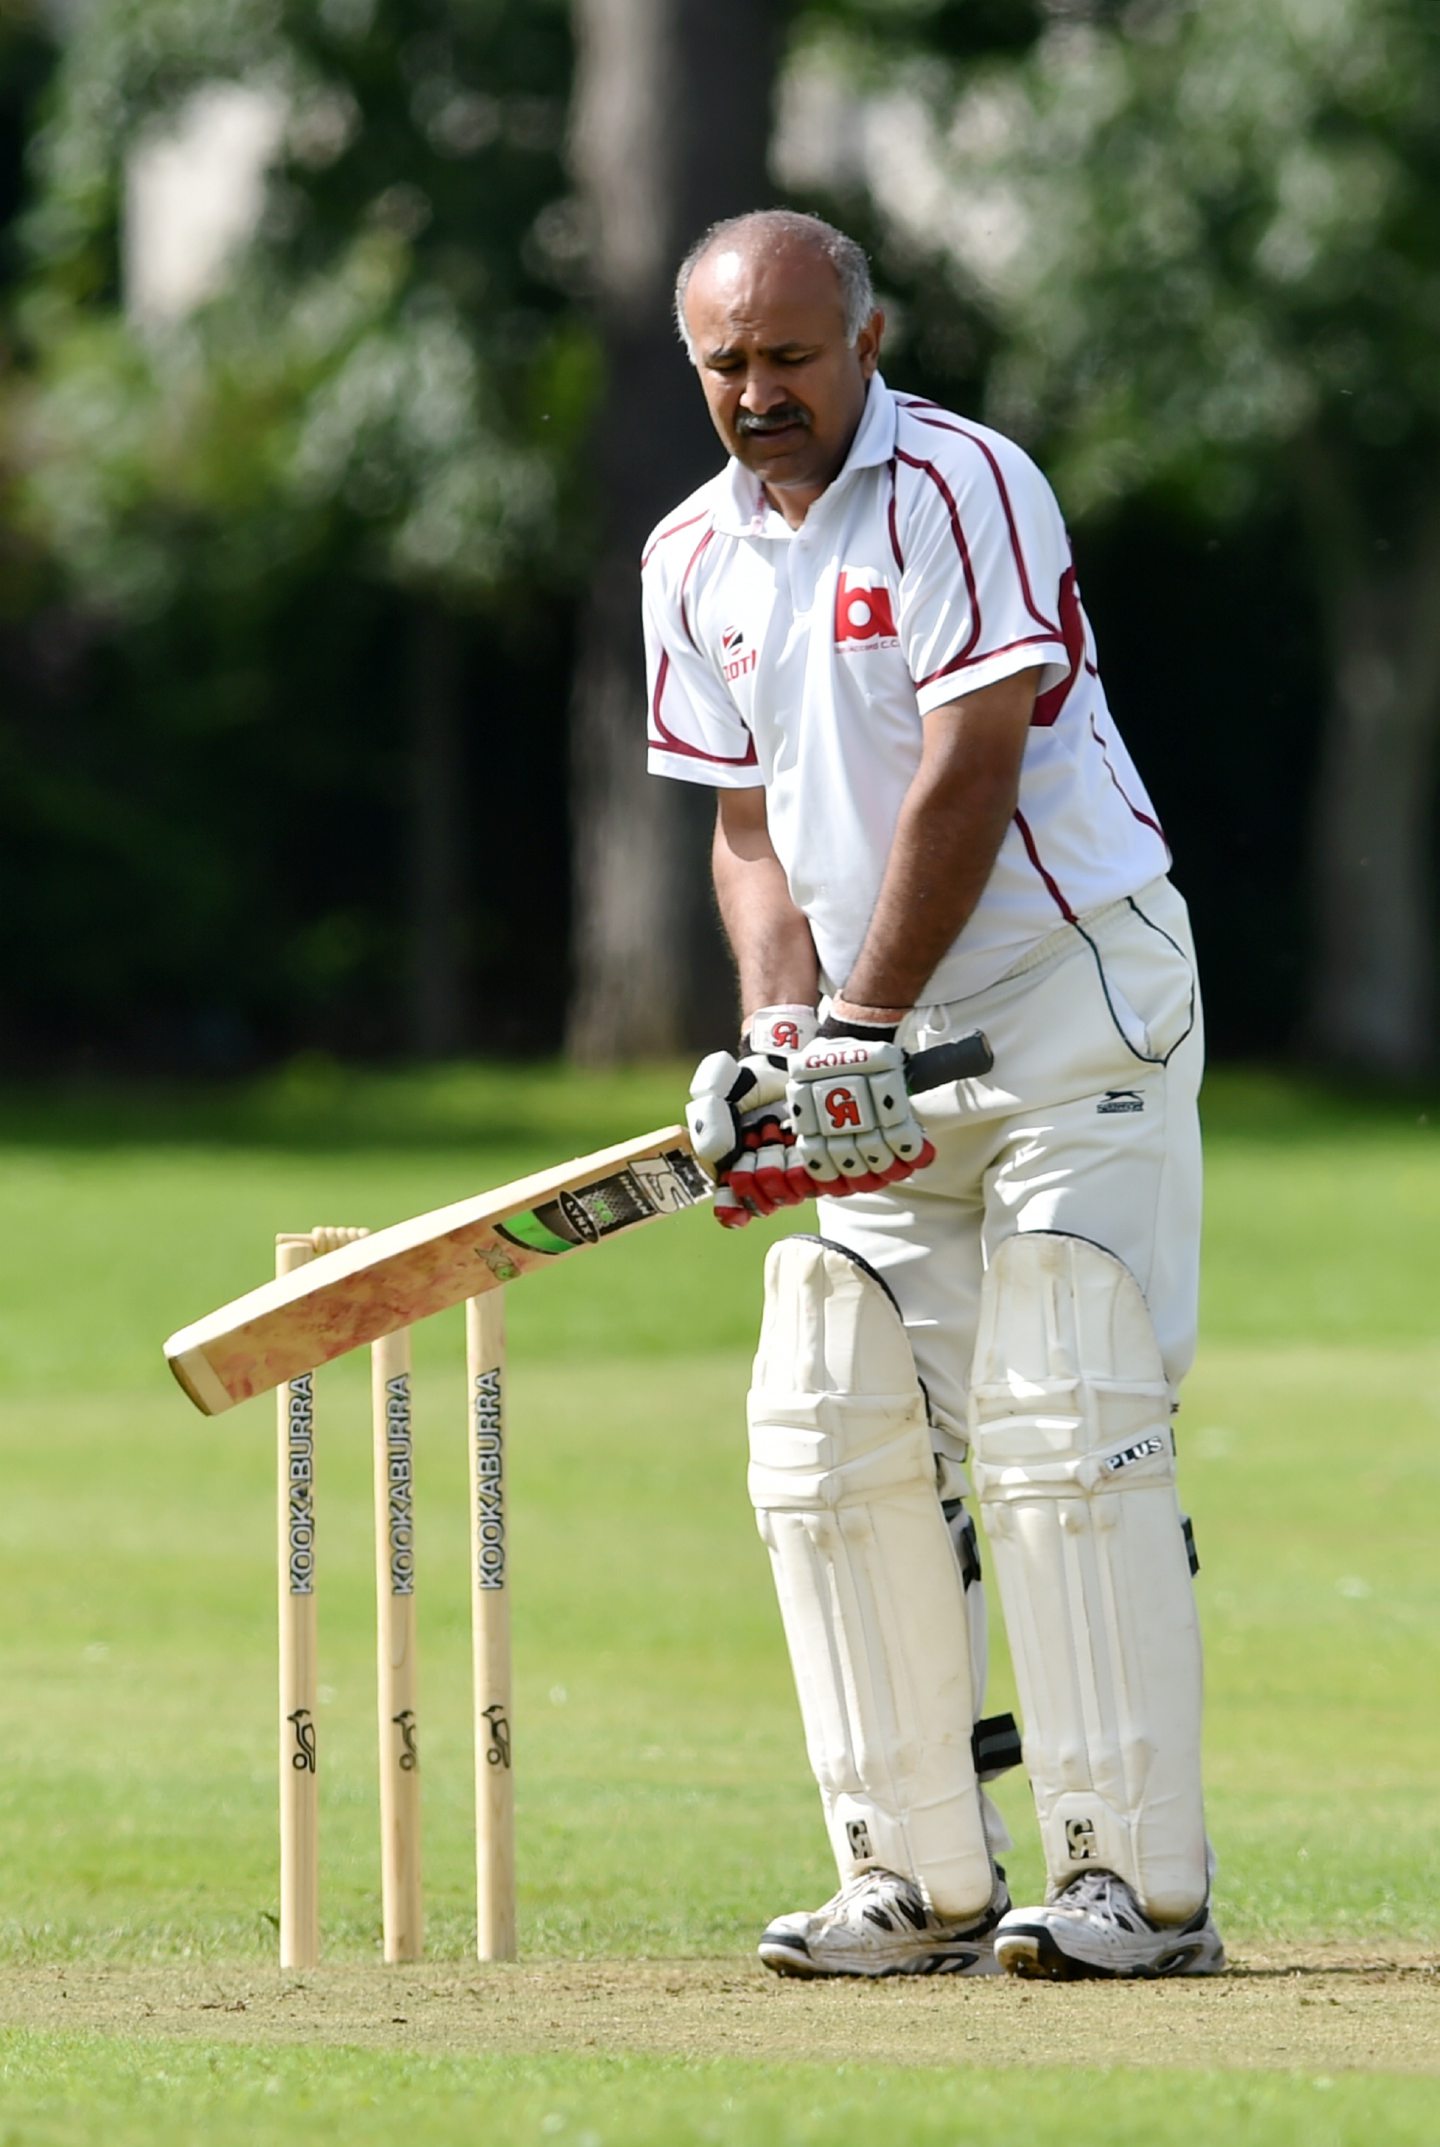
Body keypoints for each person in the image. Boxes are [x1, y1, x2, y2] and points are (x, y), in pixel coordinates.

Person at [642, 208, 1223, 1983]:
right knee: (833, 1404)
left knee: (1062, 1395)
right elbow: (748, 827)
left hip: (1065, 1006)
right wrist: (779, 1031)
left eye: (790, 357)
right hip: (880, 1053)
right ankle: (914, 1875)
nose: (759, 394)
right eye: (726, 364)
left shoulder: (964, 484)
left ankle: (1137, 1885)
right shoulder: (690, 554)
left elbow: (972, 765)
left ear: (868, 335)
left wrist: (860, 1013)